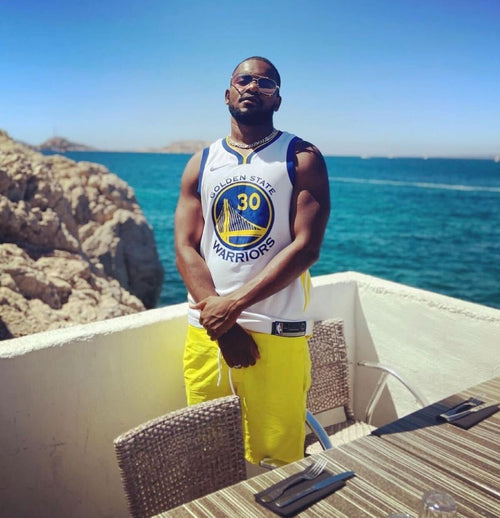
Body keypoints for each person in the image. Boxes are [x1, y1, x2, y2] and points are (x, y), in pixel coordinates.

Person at [174, 56, 330, 466]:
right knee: (207, 455)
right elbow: (186, 247)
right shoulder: (201, 163)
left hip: (275, 335)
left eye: (266, 83)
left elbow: (306, 247)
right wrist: (223, 325)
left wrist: (232, 307)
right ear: (228, 93)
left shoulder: (301, 157)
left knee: (280, 461)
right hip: (208, 334)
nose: (253, 87)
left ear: (277, 100)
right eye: (244, 80)